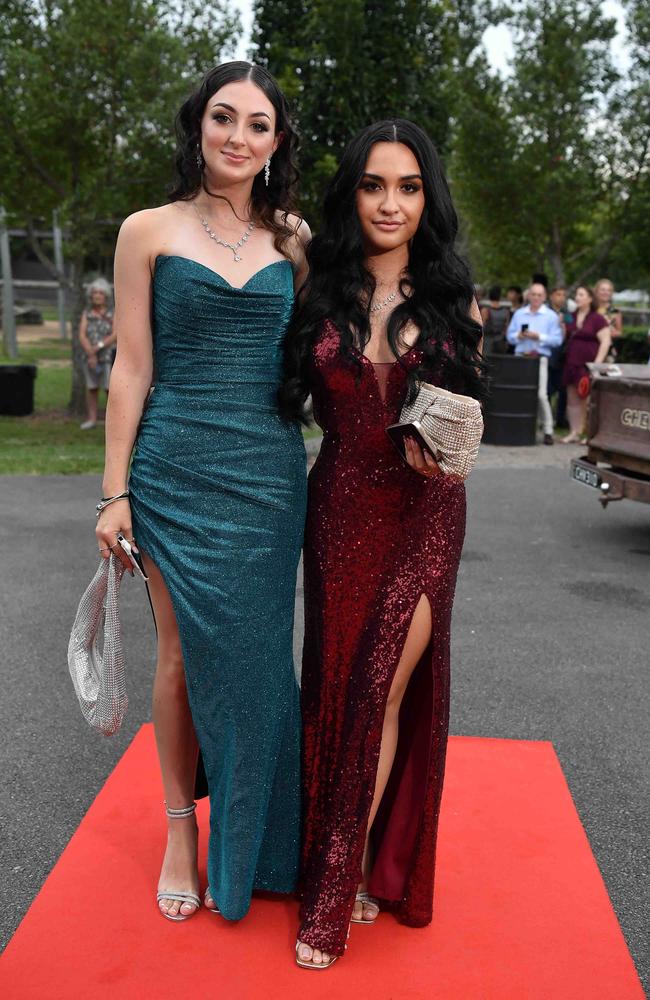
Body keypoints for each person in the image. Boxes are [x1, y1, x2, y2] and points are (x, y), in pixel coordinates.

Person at [95, 61, 310, 924]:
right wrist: (113, 494)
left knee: (260, 662)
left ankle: (265, 836)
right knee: (180, 658)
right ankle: (182, 831)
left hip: (267, 474)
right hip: (173, 471)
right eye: (224, 118)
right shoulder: (147, 229)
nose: (238, 137)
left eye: (258, 125)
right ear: (199, 124)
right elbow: (132, 367)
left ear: (276, 142)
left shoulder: (294, 239)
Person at [280, 119, 485, 969]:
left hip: (423, 516)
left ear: (427, 197)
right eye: (373, 185)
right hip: (334, 513)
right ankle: (340, 857)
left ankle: (334, 885)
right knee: (332, 691)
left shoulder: (453, 302)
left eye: (407, 186)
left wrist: (441, 440)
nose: (391, 202)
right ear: (352, 193)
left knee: (379, 690)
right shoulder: (315, 283)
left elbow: (474, 427)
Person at [506, 282, 562, 444]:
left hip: (539, 358)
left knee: (541, 395)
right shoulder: (519, 314)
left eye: (539, 295)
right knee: (519, 393)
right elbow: (509, 336)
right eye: (533, 294)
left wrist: (539, 337)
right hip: (520, 358)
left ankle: (548, 430)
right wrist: (520, 336)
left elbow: (557, 340)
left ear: (544, 297)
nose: (536, 297)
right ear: (528, 296)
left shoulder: (550, 316)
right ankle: (518, 427)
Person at [561, 285, 611, 443]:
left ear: (590, 298)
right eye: (577, 294)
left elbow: (606, 341)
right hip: (571, 363)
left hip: (588, 365)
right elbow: (565, 336)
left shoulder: (597, 318)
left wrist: (596, 364)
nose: (577, 297)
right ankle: (574, 431)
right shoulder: (571, 316)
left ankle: (588, 433)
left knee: (588, 399)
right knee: (572, 399)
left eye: (581, 294)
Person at [78, 278, 116, 429]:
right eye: (94, 292)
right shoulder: (87, 313)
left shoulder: (113, 313)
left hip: (107, 357)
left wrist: (98, 347)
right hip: (90, 357)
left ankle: (111, 421)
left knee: (109, 389)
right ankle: (92, 419)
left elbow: (115, 334)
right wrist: (90, 352)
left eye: (100, 292)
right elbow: (82, 334)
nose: (97, 295)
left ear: (106, 295)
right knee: (92, 388)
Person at [548, 285, 572, 428]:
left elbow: (571, 330)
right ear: (552, 296)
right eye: (558, 294)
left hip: (563, 355)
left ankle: (560, 419)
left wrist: (564, 326)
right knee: (548, 390)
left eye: (563, 295)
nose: (561, 298)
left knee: (562, 389)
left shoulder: (567, 314)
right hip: (549, 355)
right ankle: (548, 419)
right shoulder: (546, 312)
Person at [480, 284, 509, 354]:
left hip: (488, 342)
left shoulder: (485, 310)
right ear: (499, 296)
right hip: (501, 342)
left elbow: (481, 328)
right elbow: (506, 328)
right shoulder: (506, 311)